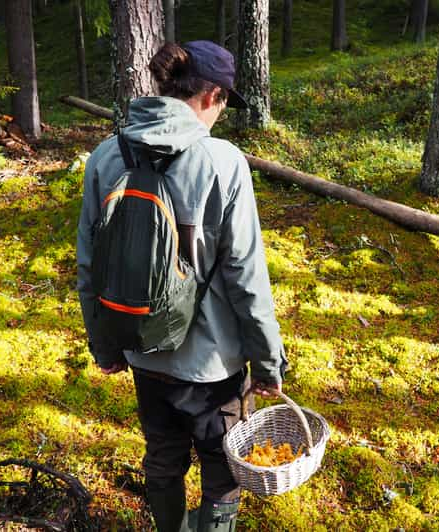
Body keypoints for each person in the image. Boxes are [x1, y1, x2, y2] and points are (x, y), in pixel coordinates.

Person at [77, 40, 286, 532]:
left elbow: (90, 266)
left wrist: (103, 344)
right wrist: (268, 361)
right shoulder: (224, 161)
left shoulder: (107, 156)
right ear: (212, 95)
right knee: (224, 470)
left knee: (163, 458)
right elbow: (246, 275)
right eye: (226, 102)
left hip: (141, 350)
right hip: (214, 365)